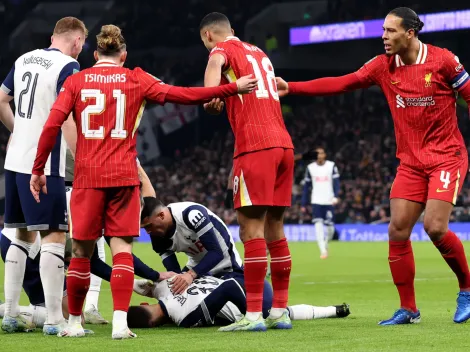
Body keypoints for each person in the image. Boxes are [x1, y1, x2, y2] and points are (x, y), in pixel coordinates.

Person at [30, 24, 257, 339]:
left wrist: (38, 168)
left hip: (87, 176)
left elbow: (52, 124)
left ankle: (73, 324)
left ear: (95, 54)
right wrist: (231, 88)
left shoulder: (75, 81)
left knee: (81, 253)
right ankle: (121, 325)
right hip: (123, 177)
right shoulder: (137, 77)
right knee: (122, 249)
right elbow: (185, 95)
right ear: (123, 55)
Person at [276, 7, 470, 325]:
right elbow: (344, 83)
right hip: (410, 162)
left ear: (410, 33)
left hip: (446, 156)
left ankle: (467, 290)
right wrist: (293, 87)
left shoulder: (443, 60)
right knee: (396, 230)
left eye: (390, 31)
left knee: (435, 227)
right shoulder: (383, 66)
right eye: (382, 31)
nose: (383, 37)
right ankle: (409, 309)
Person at [200, 12, 295, 332]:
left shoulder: (219, 51)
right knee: (276, 230)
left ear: (207, 36)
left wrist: (212, 94)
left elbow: (211, 85)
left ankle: (253, 315)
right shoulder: (259, 52)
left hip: (255, 146)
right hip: (284, 146)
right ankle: (279, 311)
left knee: (251, 231)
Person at [0, 17, 87, 335]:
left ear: (53, 36)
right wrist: (82, 160)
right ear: (77, 41)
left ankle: (10, 314)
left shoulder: (23, 59)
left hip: (14, 160)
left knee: (21, 235)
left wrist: (19, 130)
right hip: (44, 164)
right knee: (54, 238)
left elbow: (0, 100)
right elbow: (65, 118)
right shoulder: (69, 67)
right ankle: (54, 320)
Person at [127, 275, 350, 328]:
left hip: (253, 293)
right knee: (282, 311)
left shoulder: (184, 318)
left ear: (152, 324)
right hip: (249, 278)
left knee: (273, 313)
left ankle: (333, 310)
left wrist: (253, 315)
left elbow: (230, 287)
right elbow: (132, 281)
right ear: (145, 303)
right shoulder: (164, 285)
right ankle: (335, 310)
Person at [140, 197, 243, 293]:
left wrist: (190, 275)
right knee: (175, 291)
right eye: (144, 228)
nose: (148, 232)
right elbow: (174, 272)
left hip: (227, 265)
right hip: (198, 267)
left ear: (161, 215)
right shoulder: (156, 234)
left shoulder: (190, 213)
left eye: (149, 226)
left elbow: (216, 252)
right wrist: (174, 281)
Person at [65, 148, 108, 324]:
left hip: (72, 185)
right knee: (67, 250)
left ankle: (88, 307)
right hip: (75, 186)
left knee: (88, 248)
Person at [301, 147, 340, 259]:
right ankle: (323, 251)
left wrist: (336, 196)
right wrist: (304, 203)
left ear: (325, 155)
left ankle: (326, 244)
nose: (319, 155)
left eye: (321, 153)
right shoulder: (310, 168)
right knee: (318, 226)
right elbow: (306, 187)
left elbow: (336, 183)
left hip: (329, 200)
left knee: (330, 229)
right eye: (317, 154)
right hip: (316, 201)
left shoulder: (331, 166)